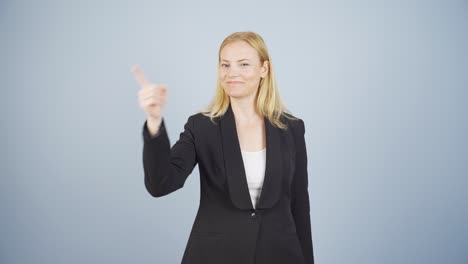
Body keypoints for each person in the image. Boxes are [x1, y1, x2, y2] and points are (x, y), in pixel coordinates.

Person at [133, 31, 315, 264]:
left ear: (264, 69)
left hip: (280, 255)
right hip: (215, 255)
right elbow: (161, 184)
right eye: (225, 65)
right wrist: (154, 122)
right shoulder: (201, 127)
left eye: (244, 64)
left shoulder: (292, 128)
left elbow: (299, 206)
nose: (232, 73)